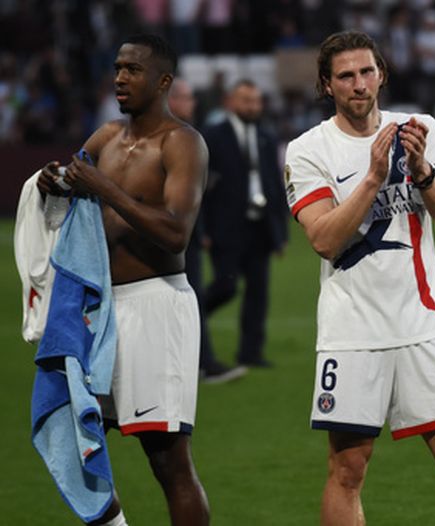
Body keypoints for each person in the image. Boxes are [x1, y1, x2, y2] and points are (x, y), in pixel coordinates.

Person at [284, 31, 435, 526]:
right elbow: (323, 239)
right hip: (353, 334)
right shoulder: (308, 150)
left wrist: (421, 169)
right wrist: (375, 176)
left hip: (424, 328)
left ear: (382, 73)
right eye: (345, 76)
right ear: (326, 85)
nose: (359, 85)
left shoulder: (420, 129)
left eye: (366, 72)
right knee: (348, 469)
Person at [36, 35, 209, 526]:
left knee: (167, 460)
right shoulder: (105, 137)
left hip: (156, 305)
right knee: (73, 441)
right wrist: (54, 183)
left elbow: (176, 232)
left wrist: (104, 188)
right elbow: (73, 188)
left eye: (133, 69)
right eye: (117, 67)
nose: (120, 78)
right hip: (98, 309)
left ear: (163, 82)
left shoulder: (182, 142)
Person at [202, 79, 289, 368]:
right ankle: (195, 315)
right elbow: (201, 188)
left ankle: (250, 353)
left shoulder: (266, 136)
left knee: (258, 293)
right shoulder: (213, 136)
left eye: (256, 100)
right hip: (226, 228)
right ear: (230, 102)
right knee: (225, 287)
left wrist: (281, 233)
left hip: (260, 227)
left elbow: (275, 184)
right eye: (246, 100)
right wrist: (203, 229)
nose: (252, 106)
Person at [168, 77, 248, 384]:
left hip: (186, 231)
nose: (192, 103)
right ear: (171, 99)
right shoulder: (174, 137)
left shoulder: (186, 135)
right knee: (187, 298)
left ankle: (199, 362)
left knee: (188, 299)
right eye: (186, 98)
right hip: (175, 233)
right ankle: (203, 363)